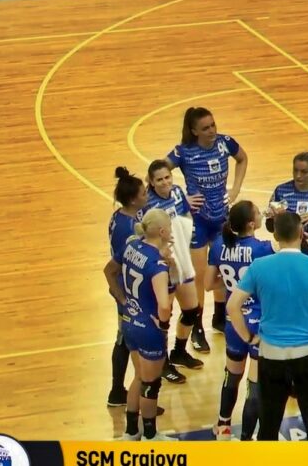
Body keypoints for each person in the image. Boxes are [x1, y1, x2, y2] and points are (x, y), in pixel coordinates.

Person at [227, 212, 308, 441]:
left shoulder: (259, 267)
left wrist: (248, 338)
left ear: (275, 236)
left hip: (271, 355)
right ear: (301, 233)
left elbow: (232, 306)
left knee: (268, 428)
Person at [166, 107, 249, 352]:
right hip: (198, 221)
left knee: (223, 266)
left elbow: (243, 158)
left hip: (221, 217)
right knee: (201, 276)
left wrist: (235, 189)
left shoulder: (225, 143)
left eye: (213, 125)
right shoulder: (183, 152)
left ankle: (220, 317)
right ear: (194, 131)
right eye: (205, 128)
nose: (212, 130)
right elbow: (157, 173)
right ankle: (197, 327)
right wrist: (181, 197)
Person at [104, 168, 174, 406]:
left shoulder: (124, 215)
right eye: (144, 193)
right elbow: (116, 265)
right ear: (134, 200)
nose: (147, 194)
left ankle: (136, 390)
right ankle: (119, 391)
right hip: (130, 291)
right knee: (124, 340)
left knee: (128, 339)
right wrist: (122, 298)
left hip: (131, 286)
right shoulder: (127, 229)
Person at [208, 201, 275, 441]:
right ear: (251, 224)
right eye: (258, 212)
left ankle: (223, 427)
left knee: (232, 375)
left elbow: (208, 284)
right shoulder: (263, 248)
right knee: (254, 384)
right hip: (257, 322)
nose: (261, 214)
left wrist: (232, 285)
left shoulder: (218, 245)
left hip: (233, 320)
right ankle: (246, 438)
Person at [117, 209, 178, 441]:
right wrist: (163, 325)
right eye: (169, 226)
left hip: (129, 321)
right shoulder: (156, 265)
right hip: (148, 329)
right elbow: (164, 304)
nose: (171, 229)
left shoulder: (132, 246)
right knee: (151, 384)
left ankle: (131, 431)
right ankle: (151, 435)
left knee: (139, 377)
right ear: (162, 231)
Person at [142, 160, 205, 375]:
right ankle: (162, 362)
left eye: (167, 177)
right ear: (151, 182)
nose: (165, 182)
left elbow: (185, 216)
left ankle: (179, 351)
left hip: (180, 261)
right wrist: (160, 252)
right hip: (162, 267)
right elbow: (142, 235)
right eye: (159, 179)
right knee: (163, 317)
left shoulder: (177, 192)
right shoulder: (147, 204)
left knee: (191, 310)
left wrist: (186, 238)